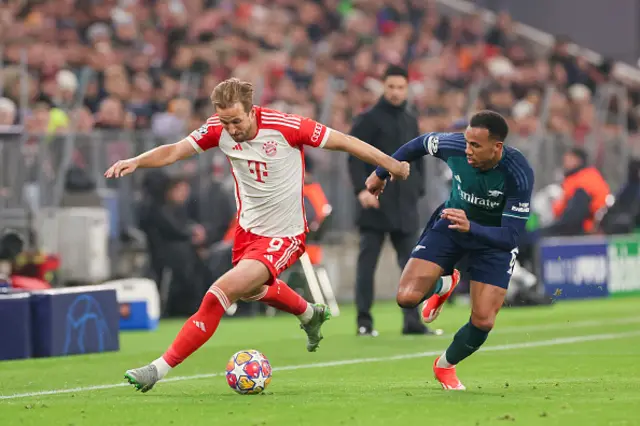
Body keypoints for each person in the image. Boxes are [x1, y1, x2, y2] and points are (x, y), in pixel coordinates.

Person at [105, 77, 411, 393]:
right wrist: (136, 161)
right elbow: (174, 151)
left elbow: (346, 141)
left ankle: (157, 369)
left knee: (220, 292)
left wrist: (390, 165)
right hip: (248, 231)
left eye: (236, 121)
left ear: (252, 111)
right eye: (225, 122)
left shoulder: (287, 126)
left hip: (285, 234)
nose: (231, 129)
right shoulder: (217, 129)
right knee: (250, 291)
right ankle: (309, 313)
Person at [366, 110, 534, 390]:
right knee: (406, 298)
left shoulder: (518, 173)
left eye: (475, 146)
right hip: (452, 224)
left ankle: (445, 365)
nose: (467, 150)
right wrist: (382, 172)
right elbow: (417, 144)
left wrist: (474, 228)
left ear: (497, 147)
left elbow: (511, 236)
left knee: (483, 321)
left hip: (493, 240)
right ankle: (445, 283)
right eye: (467, 142)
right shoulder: (454, 145)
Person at [347, 65, 433, 337]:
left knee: (412, 266)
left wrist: (418, 188)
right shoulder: (368, 119)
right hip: (376, 201)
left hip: (405, 205)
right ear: (383, 87)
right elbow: (353, 156)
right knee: (367, 266)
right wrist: (362, 190)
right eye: (391, 87)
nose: (396, 92)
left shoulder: (410, 119)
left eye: (400, 87)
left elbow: (419, 158)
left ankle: (412, 322)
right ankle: (364, 322)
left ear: (407, 89)